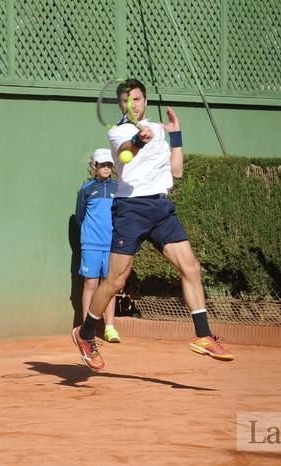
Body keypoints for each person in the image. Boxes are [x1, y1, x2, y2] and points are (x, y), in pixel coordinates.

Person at [71, 79, 234, 370]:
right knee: (116, 281)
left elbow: (177, 170)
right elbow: (124, 154)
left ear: (145, 101)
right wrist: (137, 140)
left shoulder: (158, 129)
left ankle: (203, 335)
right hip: (131, 209)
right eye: (125, 100)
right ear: (120, 105)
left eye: (136, 99)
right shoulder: (119, 131)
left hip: (161, 208)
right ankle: (85, 335)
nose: (131, 105)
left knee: (191, 267)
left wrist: (176, 133)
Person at [75, 148, 120, 343]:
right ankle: (87, 328)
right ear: (94, 166)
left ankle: (109, 327)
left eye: (109, 165)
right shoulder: (86, 189)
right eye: (102, 164)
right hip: (91, 244)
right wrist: (89, 235)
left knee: (109, 286)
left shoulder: (119, 189)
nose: (106, 168)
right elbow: (80, 217)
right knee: (90, 284)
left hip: (112, 245)